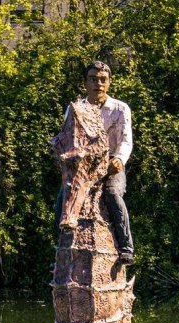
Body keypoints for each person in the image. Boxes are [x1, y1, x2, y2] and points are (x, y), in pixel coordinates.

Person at [53, 60, 135, 265]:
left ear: (109, 82)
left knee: (112, 193)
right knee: (62, 198)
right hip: (84, 166)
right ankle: (61, 250)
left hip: (110, 164)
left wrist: (119, 159)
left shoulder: (120, 108)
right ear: (85, 83)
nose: (98, 84)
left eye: (103, 80)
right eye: (93, 79)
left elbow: (126, 140)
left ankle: (126, 246)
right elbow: (67, 136)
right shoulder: (75, 109)